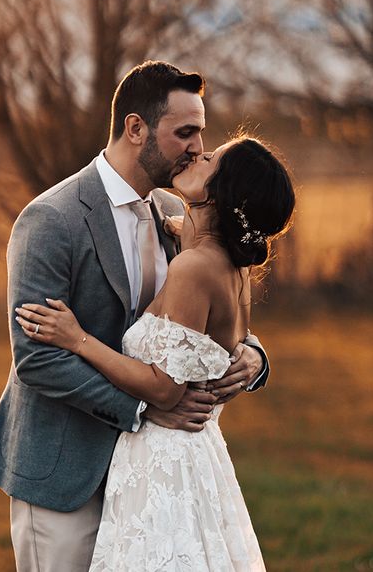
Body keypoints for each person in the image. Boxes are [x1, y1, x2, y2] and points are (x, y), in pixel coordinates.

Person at [0, 61, 269, 572]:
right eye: (185, 133)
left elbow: (196, 319)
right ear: (136, 129)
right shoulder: (50, 220)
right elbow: (37, 360)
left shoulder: (170, 215)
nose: (198, 147)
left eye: (200, 132)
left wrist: (253, 356)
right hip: (64, 471)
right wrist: (144, 410)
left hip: (146, 480)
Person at [17, 135, 295, 570]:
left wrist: (76, 339)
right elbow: (228, 343)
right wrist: (252, 357)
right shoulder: (221, 257)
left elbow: (165, 390)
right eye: (190, 135)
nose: (199, 151)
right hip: (191, 459)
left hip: (164, 463)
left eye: (212, 158)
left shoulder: (194, 267)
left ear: (223, 194)